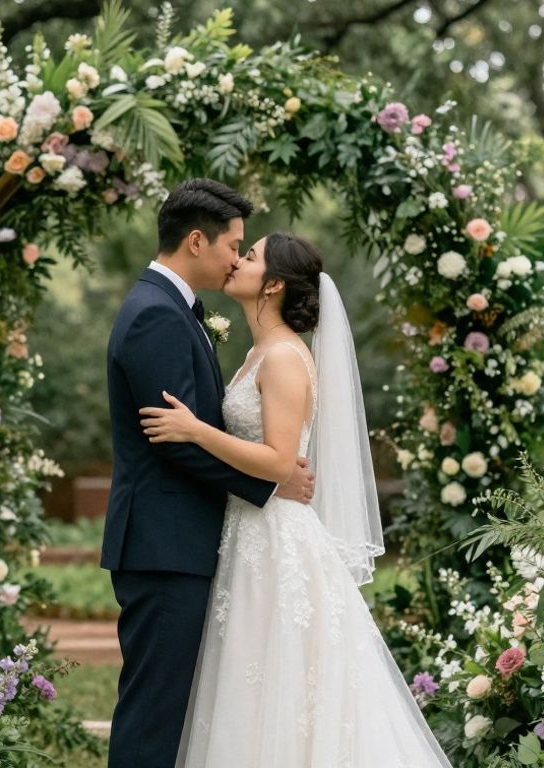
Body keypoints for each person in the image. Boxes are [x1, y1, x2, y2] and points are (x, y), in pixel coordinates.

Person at [141, 231, 452, 767]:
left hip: (275, 540)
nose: (238, 260)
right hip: (248, 531)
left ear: (275, 284)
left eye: (252, 256)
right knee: (248, 679)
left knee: (279, 681)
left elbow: (281, 462)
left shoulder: (283, 355)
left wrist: (195, 430)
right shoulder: (259, 352)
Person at [101, 179, 317, 768]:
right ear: (197, 241)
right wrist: (271, 484)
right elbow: (173, 442)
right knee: (153, 714)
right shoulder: (156, 316)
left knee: (174, 711)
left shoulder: (175, 310)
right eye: (235, 245)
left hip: (181, 543)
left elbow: (195, 430)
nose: (235, 260)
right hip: (163, 544)